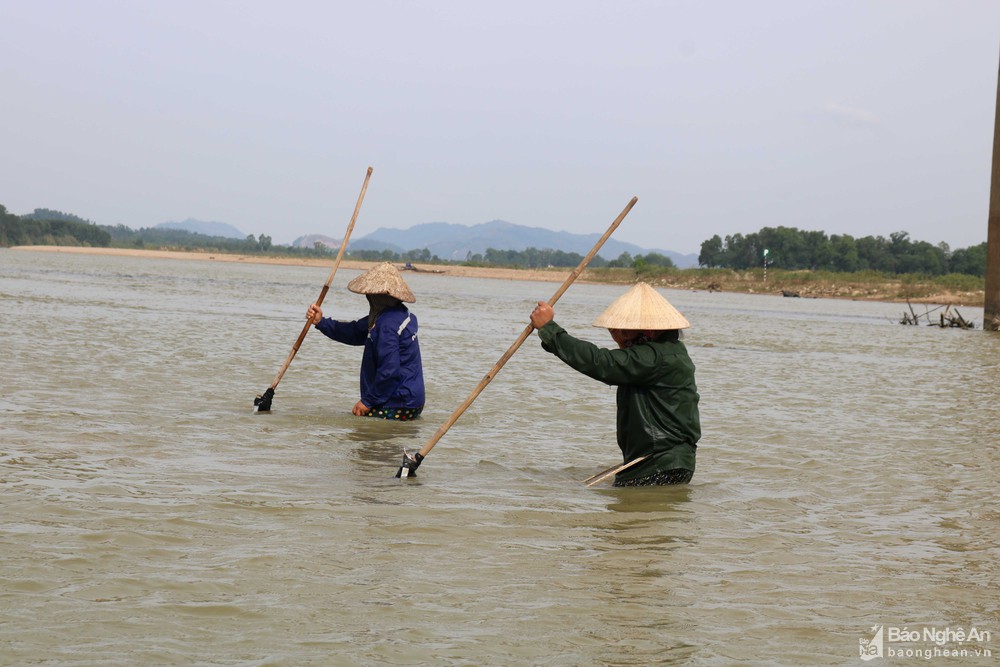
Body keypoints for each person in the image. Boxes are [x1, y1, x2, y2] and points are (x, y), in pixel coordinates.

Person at [529, 282, 700, 486]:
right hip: (666, 462)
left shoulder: (653, 357)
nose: (621, 335)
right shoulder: (669, 352)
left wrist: (550, 330)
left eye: (626, 331)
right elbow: (620, 364)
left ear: (651, 330)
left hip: (658, 463)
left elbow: (601, 362)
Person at [306, 262, 425, 420]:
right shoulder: (396, 315)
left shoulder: (387, 325)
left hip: (398, 402)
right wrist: (321, 322)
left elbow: (390, 370)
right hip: (411, 400)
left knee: (371, 441)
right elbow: (354, 332)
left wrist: (368, 401)